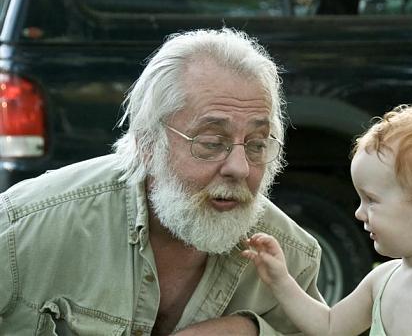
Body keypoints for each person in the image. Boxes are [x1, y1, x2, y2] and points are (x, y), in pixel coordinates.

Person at [0, 28, 324, 335]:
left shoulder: (293, 260)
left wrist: (254, 331)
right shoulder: (21, 231)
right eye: (211, 142)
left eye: (256, 144)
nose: (240, 168)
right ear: (147, 143)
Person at [242, 95, 412, 335]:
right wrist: (281, 281)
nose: (359, 212)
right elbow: (329, 327)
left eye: (371, 200)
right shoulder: (383, 279)